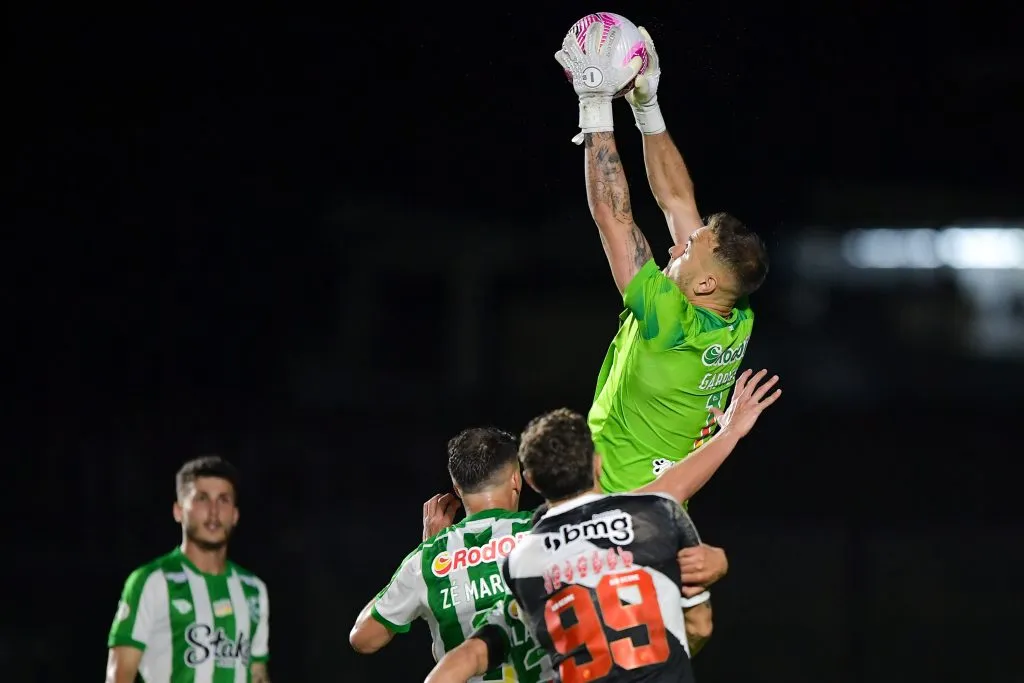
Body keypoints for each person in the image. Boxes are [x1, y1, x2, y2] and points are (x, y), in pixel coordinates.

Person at [423, 368, 782, 683]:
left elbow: (476, 640)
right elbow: (675, 487)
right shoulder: (653, 516)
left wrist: (439, 545)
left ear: (529, 480)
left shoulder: (522, 557)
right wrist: (730, 432)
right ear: (597, 462)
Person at [560, 18, 772, 493]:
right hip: (663, 517)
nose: (675, 246)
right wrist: (646, 105)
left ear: (703, 286)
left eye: (684, 252)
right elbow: (677, 202)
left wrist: (595, 107)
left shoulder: (669, 320)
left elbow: (613, 218)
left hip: (612, 513)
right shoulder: (734, 318)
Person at [106, 456, 271, 683]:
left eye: (223, 500)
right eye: (202, 499)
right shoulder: (152, 581)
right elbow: (118, 676)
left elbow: (257, 674)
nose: (214, 512)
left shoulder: (253, 589)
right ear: (178, 511)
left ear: (235, 515)